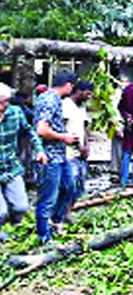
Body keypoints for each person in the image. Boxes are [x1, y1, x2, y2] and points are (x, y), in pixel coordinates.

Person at [34, 70, 79, 244]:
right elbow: (41, 129)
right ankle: (43, 237)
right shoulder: (48, 100)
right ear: (68, 85)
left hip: (60, 155)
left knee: (69, 187)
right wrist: (64, 137)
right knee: (48, 197)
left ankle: (56, 221)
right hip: (49, 157)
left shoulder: (55, 100)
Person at [0, 83, 47, 241]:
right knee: (1, 212)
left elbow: (29, 131)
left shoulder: (15, 113)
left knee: (21, 207)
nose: (2, 106)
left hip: (11, 167)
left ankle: (15, 228)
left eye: (5, 101)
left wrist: (39, 150)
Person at [62, 81, 93, 223]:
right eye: (87, 93)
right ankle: (59, 214)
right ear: (79, 91)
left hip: (80, 154)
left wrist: (86, 145)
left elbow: (84, 127)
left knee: (80, 187)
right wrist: (77, 146)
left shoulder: (82, 107)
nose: (89, 97)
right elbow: (62, 128)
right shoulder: (66, 105)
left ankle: (67, 212)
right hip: (68, 153)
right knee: (70, 185)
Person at [110, 75, 129, 174]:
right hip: (118, 124)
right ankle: (117, 170)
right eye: (123, 81)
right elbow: (113, 112)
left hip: (125, 124)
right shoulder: (115, 95)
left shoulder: (127, 93)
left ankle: (120, 170)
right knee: (118, 148)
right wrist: (117, 127)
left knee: (122, 149)